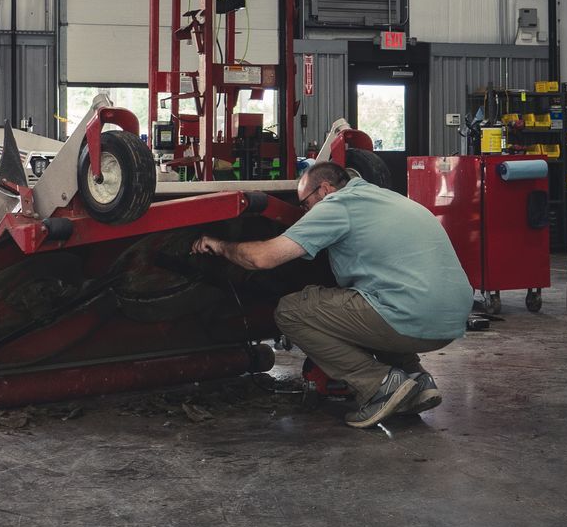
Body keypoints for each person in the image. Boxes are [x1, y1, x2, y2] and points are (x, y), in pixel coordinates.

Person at [193, 160, 473, 428]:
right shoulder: (389, 198)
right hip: (451, 321)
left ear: (325, 189)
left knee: (292, 311)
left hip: (410, 316)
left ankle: (378, 385)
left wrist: (219, 245)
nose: (304, 212)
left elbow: (263, 259)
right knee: (370, 297)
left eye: (304, 204)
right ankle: (417, 379)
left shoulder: (337, 205)